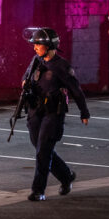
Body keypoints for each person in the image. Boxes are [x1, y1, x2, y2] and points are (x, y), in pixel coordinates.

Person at [21, 27, 90, 201]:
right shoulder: (35, 61)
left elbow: (76, 90)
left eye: (38, 44)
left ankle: (38, 190)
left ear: (48, 45)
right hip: (35, 110)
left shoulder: (61, 65)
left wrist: (84, 111)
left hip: (53, 113)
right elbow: (26, 77)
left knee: (43, 151)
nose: (34, 47)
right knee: (40, 148)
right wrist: (25, 84)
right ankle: (66, 176)